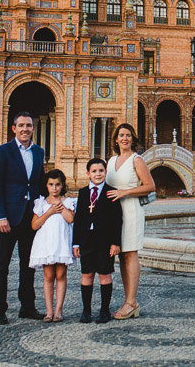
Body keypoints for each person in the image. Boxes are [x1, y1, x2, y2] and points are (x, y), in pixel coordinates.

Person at [0, 112, 46, 325]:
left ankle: (27, 307)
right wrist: (0, 215)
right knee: (1, 264)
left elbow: (39, 184)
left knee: (28, 264)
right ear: (13, 128)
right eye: (21, 125)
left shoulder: (39, 152)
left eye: (29, 125)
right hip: (8, 217)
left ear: (33, 128)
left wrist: (47, 208)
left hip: (30, 216)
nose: (25, 129)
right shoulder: (3, 151)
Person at [105, 123, 155, 320]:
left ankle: (132, 301)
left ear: (133, 139)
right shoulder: (111, 161)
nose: (124, 138)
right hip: (115, 214)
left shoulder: (137, 160)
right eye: (121, 135)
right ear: (116, 139)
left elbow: (150, 186)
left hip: (131, 210)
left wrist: (126, 191)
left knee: (131, 254)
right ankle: (129, 300)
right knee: (122, 256)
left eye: (128, 135)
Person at [72, 158, 123, 324]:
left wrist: (115, 243)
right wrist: (76, 243)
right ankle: (86, 311)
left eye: (101, 171)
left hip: (105, 241)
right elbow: (78, 219)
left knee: (104, 274)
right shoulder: (83, 192)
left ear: (105, 172)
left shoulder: (111, 192)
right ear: (88, 174)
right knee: (86, 274)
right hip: (87, 240)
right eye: (94, 171)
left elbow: (117, 220)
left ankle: (104, 310)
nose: (98, 174)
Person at [29, 169, 76, 323]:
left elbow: (70, 219)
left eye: (57, 184)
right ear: (46, 185)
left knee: (61, 275)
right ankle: (49, 311)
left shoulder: (68, 202)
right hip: (47, 244)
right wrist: (49, 211)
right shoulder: (41, 202)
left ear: (62, 185)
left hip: (61, 243)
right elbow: (34, 225)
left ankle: (58, 311)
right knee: (48, 276)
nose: (54, 188)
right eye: (51, 184)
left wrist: (60, 206)